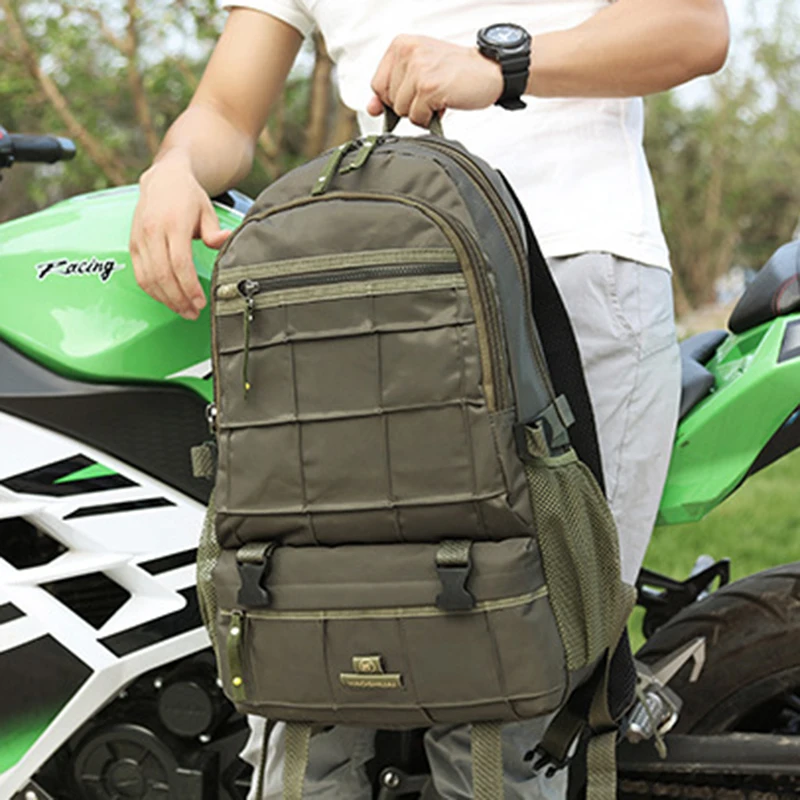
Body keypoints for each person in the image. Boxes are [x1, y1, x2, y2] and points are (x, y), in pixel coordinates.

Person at [130, 2, 730, 797]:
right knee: (306, 677)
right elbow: (223, 112)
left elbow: (693, 27)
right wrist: (174, 167)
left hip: (570, 275)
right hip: (370, 295)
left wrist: (503, 66)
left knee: (513, 704)